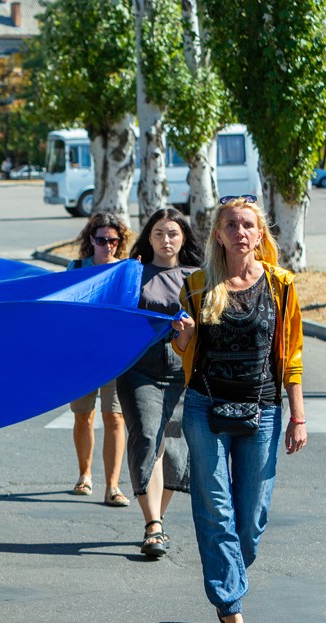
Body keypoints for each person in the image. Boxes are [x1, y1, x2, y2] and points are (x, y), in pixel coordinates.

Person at [171, 195, 305, 623]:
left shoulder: (281, 285)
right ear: (219, 235)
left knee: (250, 518)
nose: (240, 232)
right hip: (205, 406)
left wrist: (297, 415)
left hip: (263, 409)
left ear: (261, 234)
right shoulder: (197, 284)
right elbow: (184, 349)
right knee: (215, 511)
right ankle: (233, 614)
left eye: (248, 225)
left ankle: (229, 574)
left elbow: (291, 356)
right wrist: (182, 335)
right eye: (231, 225)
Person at [115, 208, 203, 558]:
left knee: (176, 450)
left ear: (183, 237)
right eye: (159, 234)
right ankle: (153, 523)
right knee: (148, 436)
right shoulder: (132, 274)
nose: (166, 240)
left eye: (173, 234)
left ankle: (157, 519)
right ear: (148, 237)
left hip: (184, 371)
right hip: (139, 370)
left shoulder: (198, 276)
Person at [66, 212, 131, 506]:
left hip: (115, 356)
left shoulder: (127, 270)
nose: (108, 246)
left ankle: (113, 486)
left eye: (113, 241)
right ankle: (85, 475)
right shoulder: (77, 268)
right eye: (102, 240)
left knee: (115, 417)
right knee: (83, 415)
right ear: (91, 240)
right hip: (81, 356)